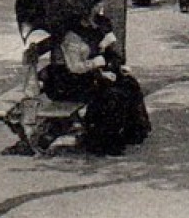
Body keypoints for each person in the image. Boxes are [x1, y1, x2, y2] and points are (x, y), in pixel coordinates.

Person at [38, 8, 150, 155]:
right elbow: (75, 67)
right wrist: (98, 65)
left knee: (128, 83)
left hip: (87, 77)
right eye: (91, 16)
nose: (93, 21)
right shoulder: (71, 37)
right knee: (110, 94)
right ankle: (102, 141)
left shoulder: (90, 32)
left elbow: (104, 56)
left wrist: (111, 66)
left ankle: (131, 132)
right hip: (68, 82)